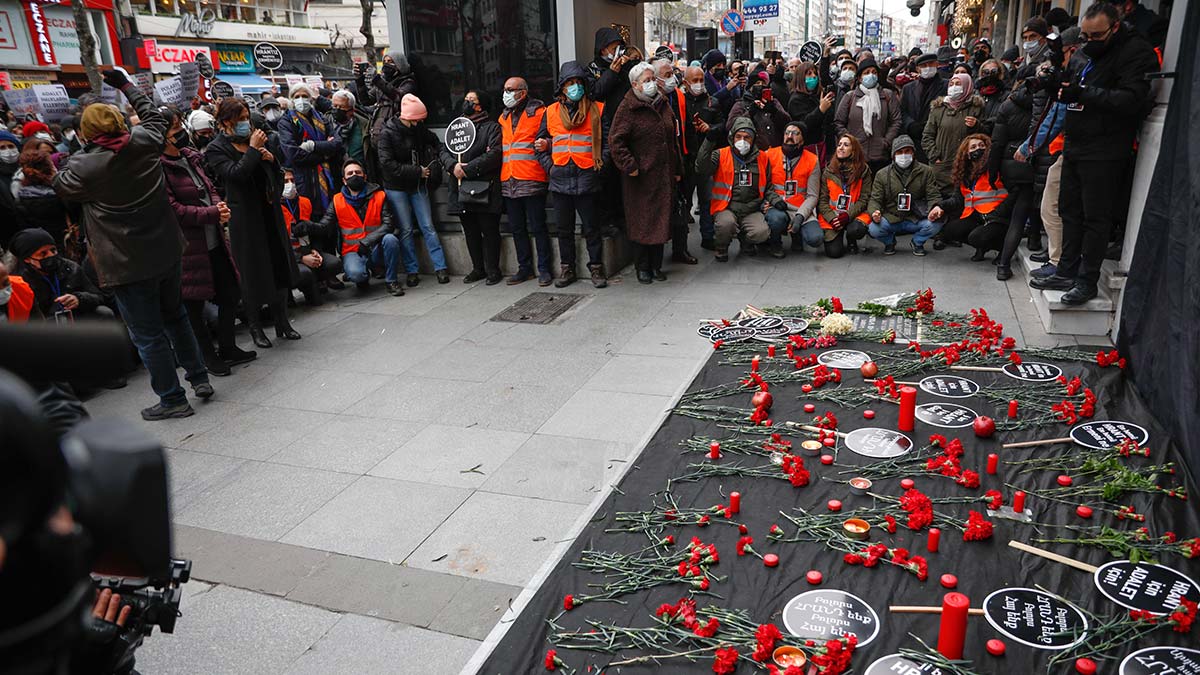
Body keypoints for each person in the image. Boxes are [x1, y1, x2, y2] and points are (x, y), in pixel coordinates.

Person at [52, 70, 211, 420]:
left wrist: (78, 147)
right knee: (177, 317)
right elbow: (155, 114)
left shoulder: (83, 165)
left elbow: (60, 184)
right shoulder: (144, 140)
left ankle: (172, 398)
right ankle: (199, 377)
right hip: (167, 250)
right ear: (121, 121)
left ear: (86, 133)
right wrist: (125, 85)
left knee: (149, 335)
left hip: (126, 263)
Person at [1032, 2, 1158, 305]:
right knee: (1069, 210)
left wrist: (1083, 93)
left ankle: (1087, 280)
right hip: (1076, 142)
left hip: (1105, 149)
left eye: (1096, 36)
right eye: (1085, 37)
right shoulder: (1087, 51)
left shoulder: (1135, 52)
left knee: (1095, 218)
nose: (1088, 42)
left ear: (1115, 26)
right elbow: (1071, 84)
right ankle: (1066, 269)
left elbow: (1132, 100)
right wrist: (1055, 85)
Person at [160, 109, 254, 375]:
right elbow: (173, 209)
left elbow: (209, 188)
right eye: (173, 127)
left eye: (180, 125)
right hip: (187, 247)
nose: (180, 132)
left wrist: (217, 205)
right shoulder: (158, 167)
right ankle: (208, 358)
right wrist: (210, 213)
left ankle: (228, 348)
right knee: (193, 307)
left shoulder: (192, 157)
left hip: (213, 239)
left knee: (230, 293)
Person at [205, 98, 301, 348]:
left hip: (269, 213)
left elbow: (275, 176)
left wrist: (270, 160)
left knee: (277, 266)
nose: (246, 123)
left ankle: (283, 322)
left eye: (247, 117)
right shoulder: (216, 148)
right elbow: (235, 175)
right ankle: (256, 327)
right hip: (245, 220)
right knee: (251, 273)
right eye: (240, 119)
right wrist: (253, 151)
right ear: (226, 121)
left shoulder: (256, 141)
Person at [535, 61, 609, 288]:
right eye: (570, 83)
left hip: (587, 176)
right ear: (562, 87)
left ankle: (596, 269)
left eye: (578, 82)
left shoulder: (597, 108)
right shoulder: (550, 112)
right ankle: (567, 269)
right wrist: (550, 167)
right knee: (564, 229)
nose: (575, 87)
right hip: (560, 179)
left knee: (591, 228)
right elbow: (538, 144)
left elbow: (607, 142)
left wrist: (600, 166)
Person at [610, 62, 681, 283]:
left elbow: (672, 140)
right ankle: (642, 266)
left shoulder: (663, 104)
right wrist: (630, 166)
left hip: (663, 175)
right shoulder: (627, 108)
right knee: (642, 222)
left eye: (652, 79)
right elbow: (616, 141)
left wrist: (677, 168)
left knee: (661, 220)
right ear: (635, 85)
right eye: (646, 81)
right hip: (640, 177)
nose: (651, 84)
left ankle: (656, 266)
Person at [377, 93, 450, 286]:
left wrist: (439, 155)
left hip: (415, 184)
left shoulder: (417, 129)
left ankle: (440, 267)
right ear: (410, 117)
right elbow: (387, 164)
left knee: (427, 226)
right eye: (419, 119)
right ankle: (412, 270)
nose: (421, 122)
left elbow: (435, 140)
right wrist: (418, 171)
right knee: (407, 229)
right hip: (398, 186)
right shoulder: (387, 133)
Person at [695, 117, 784, 262]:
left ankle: (746, 240)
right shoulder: (721, 154)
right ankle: (721, 247)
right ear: (732, 137)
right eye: (738, 136)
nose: (742, 141)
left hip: (752, 208)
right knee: (725, 225)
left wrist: (776, 200)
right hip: (726, 207)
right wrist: (708, 142)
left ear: (753, 139)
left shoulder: (762, 158)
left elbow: (767, 186)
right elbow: (701, 168)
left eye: (747, 137)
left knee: (761, 232)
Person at [308, 158, 402, 295]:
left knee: (391, 240)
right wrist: (308, 226)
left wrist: (367, 241)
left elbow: (389, 224)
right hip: (352, 251)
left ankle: (391, 281)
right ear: (344, 180)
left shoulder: (380, 195)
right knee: (356, 274)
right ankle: (361, 276)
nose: (354, 175)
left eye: (357, 172)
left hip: (376, 247)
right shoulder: (337, 200)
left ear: (365, 177)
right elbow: (324, 225)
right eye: (350, 173)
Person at [440, 91, 503, 284]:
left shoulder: (492, 128)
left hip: (484, 187)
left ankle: (493, 269)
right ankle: (478, 268)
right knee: (470, 231)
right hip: (460, 187)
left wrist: (468, 169)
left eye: (472, 101)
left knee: (489, 229)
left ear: (481, 105)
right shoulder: (457, 127)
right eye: (466, 99)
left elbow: (495, 153)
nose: (467, 103)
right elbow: (443, 150)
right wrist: (453, 166)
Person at [498, 77, 552, 286]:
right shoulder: (503, 116)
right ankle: (525, 269)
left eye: (510, 89)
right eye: (505, 89)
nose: (507, 93)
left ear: (523, 91)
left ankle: (545, 270)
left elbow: (554, 136)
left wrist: (547, 143)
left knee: (538, 227)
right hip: (509, 179)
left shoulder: (540, 112)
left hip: (532, 178)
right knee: (517, 228)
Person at [667, 65, 719, 261]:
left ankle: (708, 236)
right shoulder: (678, 101)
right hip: (687, 160)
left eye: (701, 80)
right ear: (685, 82)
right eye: (694, 80)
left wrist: (710, 128)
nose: (698, 84)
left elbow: (722, 125)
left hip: (705, 159)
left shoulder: (711, 101)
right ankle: (680, 247)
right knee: (684, 203)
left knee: (707, 200)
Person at [867, 135, 945, 256]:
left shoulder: (926, 171)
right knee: (874, 229)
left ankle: (917, 242)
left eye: (907, 151)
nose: (904, 155)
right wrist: (874, 212)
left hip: (915, 217)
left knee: (936, 224)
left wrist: (935, 207)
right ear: (893, 155)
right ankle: (889, 242)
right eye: (900, 152)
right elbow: (875, 199)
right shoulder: (882, 174)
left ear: (913, 153)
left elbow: (933, 194)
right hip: (891, 217)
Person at [936, 134, 1010, 260]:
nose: (978, 149)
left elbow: (1011, 192)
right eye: (973, 147)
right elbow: (957, 199)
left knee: (977, 237)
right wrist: (939, 206)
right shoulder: (964, 173)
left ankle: (1003, 248)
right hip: (976, 216)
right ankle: (982, 247)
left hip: (998, 217)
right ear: (967, 154)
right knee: (951, 230)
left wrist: (1000, 211)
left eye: (982, 146)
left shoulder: (996, 167)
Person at [7, 228, 104, 320]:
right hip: (45, 327)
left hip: (75, 317)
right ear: (27, 259)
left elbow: (98, 296)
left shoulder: (70, 267)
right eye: (43, 253)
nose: (51, 255)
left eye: (53, 250)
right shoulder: (20, 282)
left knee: (103, 312)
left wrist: (79, 299)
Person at [278, 83, 342, 220]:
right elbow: (293, 154)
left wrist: (312, 145)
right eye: (297, 96)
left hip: (329, 177)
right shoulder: (287, 122)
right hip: (305, 181)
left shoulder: (322, 119)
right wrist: (325, 154)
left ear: (311, 99)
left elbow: (337, 144)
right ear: (292, 100)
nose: (301, 99)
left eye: (305, 96)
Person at [281, 167, 343, 304]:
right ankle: (295, 291)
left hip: (308, 248)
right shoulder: (273, 208)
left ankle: (316, 282)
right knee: (304, 273)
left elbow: (315, 231)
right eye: (285, 181)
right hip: (289, 257)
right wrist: (301, 258)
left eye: (292, 180)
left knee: (335, 263)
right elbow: (275, 245)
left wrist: (316, 250)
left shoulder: (305, 202)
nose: (290, 184)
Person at [764, 122, 820, 257]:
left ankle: (797, 234)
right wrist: (769, 202)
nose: (790, 136)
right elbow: (763, 186)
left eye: (796, 133)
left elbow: (813, 195)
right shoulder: (769, 155)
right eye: (787, 133)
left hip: (799, 208)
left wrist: (800, 216)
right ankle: (775, 243)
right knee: (776, 219)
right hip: (776, 206)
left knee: (816, 238)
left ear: (803, 139)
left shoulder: (812, 160)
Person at [359, 51, 418, 179]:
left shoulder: (408, 82)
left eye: (390, 62)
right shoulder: (382, 82)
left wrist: (377, 79)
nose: (386, 65)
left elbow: (397, 96)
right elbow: (367, 100)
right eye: (384, 62)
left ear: (399, 65)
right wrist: (359, 81)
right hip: (377, 134)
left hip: (397, 136)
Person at [922, 73, 984, 190]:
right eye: (951, 84)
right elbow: (927, 135)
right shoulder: (938, 108)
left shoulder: (976, 107)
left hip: (966, 166)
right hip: (942, 167)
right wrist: (935, 156)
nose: (954, 87)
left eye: (958, 84)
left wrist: (976, 125)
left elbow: (983, 136)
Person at [814, 134, 873, 257]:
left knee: (856, 230)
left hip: (853, 214)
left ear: (854, 150)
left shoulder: (864, 170)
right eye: (839, 144)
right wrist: (832, 218)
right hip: (833, 215)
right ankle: (838, 234)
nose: (841, 148)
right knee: (834, 253)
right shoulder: (828, 171)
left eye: (846, 145)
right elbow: (822, 200)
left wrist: (847, 215)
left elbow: (864, 199)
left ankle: (851, 239)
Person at [15, 148, 75, 249]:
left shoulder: (20, 200)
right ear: (50, 168)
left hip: (43, 248)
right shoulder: (65, 194)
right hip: (69, 242)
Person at [900, 53, 948, 164]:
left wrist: (928, 126)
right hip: (914, 138)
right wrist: (910, 124)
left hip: (936, 139)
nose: (927, 68)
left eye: (930, 64)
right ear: (918, 69)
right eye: (923, 65)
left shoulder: (946, 85)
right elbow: (902, 110)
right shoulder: (908, 88)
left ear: (936, 64)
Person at [726, 71, 791, 150]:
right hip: (754, 151)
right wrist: (750, 113)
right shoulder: (741, 104)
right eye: (757, 83)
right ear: (750, 87)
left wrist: (775, 112)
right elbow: (730, 126)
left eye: (763, 83)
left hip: (776, 150)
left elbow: (788, 123)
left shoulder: (774, 102)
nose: (760, 86)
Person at [786, 61, 836, 163]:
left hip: (823, 145)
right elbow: (804, 124)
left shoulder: (816, 95)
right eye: (809, 74)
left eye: (815, 73)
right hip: (808, 148)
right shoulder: (796, 100)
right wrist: (820, 110)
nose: (813, 77)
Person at [331, 89, 368, 168]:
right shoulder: (325, 123)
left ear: (351, 110)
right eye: (334, 106)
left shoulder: (364, 125)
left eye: (341, 107)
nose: (337, 109)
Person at [0, 129, 25, 245]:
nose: (8, 151)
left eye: (10, 146)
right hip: (8, 237)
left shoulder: (28, 171)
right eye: (2, 148)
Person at [703, 49, 742, 120]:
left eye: (723, 65)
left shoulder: (727, 81)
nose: (722, 67)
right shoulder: (704, 82)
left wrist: (741, 87)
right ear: (710, 67)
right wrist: (726, 89)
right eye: (718, 65)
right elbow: (709, 101)